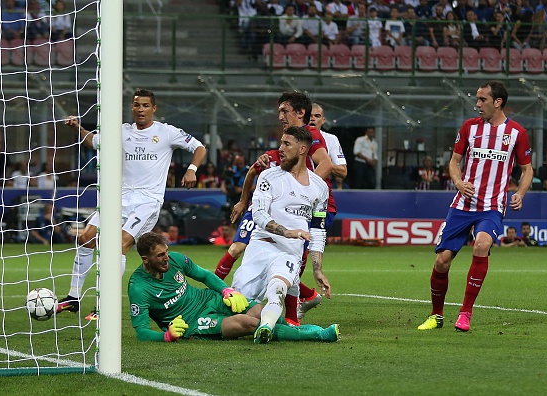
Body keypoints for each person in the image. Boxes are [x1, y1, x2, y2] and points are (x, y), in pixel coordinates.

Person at [57, 88, 206, 320]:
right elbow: (93, 141)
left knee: (119, 243)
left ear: (154, 109)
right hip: (119, 197)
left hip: (147, 201)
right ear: (132, 107)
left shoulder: (167, 132)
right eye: (137, 105)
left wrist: (192, 169)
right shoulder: (121, 132)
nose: (140, 109)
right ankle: (74, 297)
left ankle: (104, 305)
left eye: (145, 105)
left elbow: (199, 147)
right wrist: (78, 127)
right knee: (85, 237)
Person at [417, 80, 533, 333]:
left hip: (492, 205)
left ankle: (465, 313)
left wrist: (520, 192)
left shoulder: (517, 133)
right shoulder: (469, 127)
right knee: (442, 262)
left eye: (482, 100)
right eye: (477, 99)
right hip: (462, 205)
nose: (477, 104)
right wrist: (458, 182)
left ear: (497, 102)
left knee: (482, 245)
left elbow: (527, 169)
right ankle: (436, 316)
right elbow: (454, 161)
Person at [215, 93, 335, 326]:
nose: (280, 116)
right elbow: (253, 172)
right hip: (266, 206)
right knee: (237, 250)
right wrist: (243, 200)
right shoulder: (275, 166)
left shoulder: (312, 137)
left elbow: (329, 165)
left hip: (296, 211)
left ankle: (290, 317)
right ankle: (218, 292)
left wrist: (303, 189)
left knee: (285, 271)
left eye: (284, 111)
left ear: (300, 113)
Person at [128, 232, 340, 343]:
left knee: (259, 309)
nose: (166, 258)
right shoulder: (138, 287)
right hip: (192, 322)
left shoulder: (175, 259)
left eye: (166, 252)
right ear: (145, 259)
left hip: (208, 299)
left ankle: (293, 331)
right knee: (248, 323)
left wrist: (225, 290)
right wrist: (166, 336)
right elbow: (142, 332)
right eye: (160, 256)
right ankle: (317, 335)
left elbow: (203, 275)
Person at [231, 126, 330, 343]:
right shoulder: (269, 177)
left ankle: (265, 330)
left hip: (289, 252)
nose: (280, 149)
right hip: (260, 247)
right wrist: (288, 232)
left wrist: (318, 269)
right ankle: (266, 324)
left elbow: (317, 229)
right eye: (281, 143)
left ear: (302, 149)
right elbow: (258, 215)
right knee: (238, 310)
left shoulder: (320, 187)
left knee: (278, 287)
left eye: (287, 144)